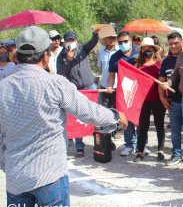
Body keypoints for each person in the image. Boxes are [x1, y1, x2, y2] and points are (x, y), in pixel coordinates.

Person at [0, 26, 128, 207]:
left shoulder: (3, 87)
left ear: (17, 56)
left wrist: (6, 163)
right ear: (46, 56)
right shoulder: (55, 84)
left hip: (16, 177)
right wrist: (115, 116)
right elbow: (87, 111)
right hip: (49, 174)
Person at [57, 29, 99, 157]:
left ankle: (99, 144)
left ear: (76, 41)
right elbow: (60, 74)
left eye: (73, 40)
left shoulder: (82, 49)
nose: (71, 42)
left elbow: (93, 42)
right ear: (64, 43)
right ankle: (79, 147)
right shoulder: (61, 56)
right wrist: (68, 60)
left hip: (90, 87)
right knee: (77, 119)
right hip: (75, 90)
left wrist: (95, 34)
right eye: (68, 40)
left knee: (95, 116)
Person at [107, 31, 144, 156]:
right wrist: (110, 86)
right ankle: (129, 145)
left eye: (125, 41)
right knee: (126, 118)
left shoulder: (139, 53)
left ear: (131, 41)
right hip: (124, 91)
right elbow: (111, 75)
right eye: (120, 42)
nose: (123, 44)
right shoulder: (114, 57)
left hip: (139, 90)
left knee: (140, 118)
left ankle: (142, 145)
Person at [134, 37, 166, 162]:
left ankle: (161, 150)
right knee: (143, 126)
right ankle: (140, 151)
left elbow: (164, 80)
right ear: (141, 50)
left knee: (159, 125)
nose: (147, 50)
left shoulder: (160, 64)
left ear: (154, 49)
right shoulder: (137, 65)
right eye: (144, 48)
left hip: (158, 99)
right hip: (143, 100)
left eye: (149, 48)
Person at [158, 32, 183, 166]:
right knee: (175, 131)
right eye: (170, 44)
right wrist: (162, 97)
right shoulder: (167, 62)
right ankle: (176, 154)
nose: (173, 46)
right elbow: (161, 81)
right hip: (174, 102)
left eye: (176, 43)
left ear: (182, 42)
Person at [98, 28, 118, 108]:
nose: (112, 39)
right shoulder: (101, 51)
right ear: (105, 39)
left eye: (113, 37)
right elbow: (101, 67)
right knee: (105, 111)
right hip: (104, 85)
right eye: (109, 37)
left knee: (118, 111)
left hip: (117, 86)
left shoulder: (120, 51)